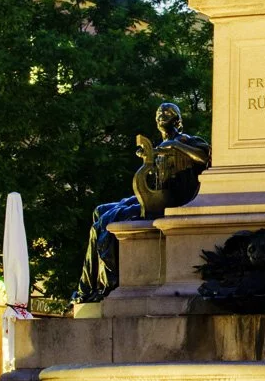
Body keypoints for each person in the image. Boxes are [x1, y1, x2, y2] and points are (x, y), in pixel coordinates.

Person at [72, 103, 210, 303]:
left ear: (178, 121)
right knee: (99, 211)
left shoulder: (185, 140)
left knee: (105, 221)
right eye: (158, 113)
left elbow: (205, 157)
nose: (161, 116)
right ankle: (90, 285)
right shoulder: (159, 146)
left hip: (172, 200)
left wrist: (174, 146)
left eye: (167, 113)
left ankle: (104, 285)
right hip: (158, 195)